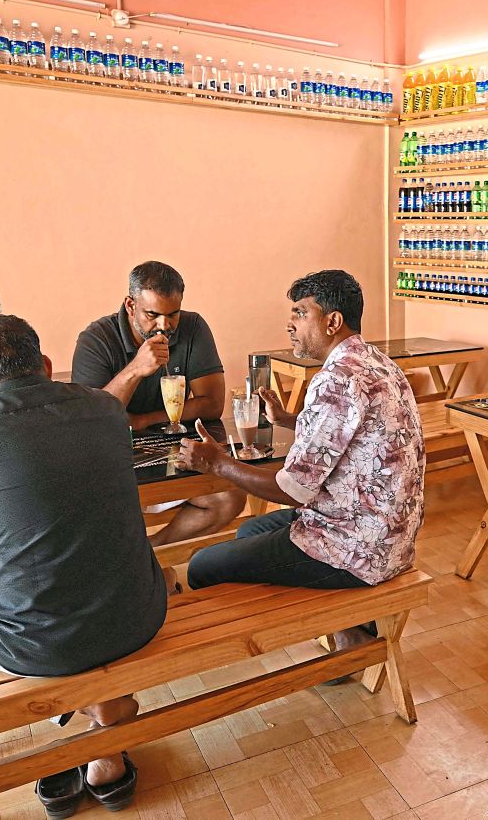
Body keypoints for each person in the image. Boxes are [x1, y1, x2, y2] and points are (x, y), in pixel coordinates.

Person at [0, 315, 168, 816]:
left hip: (35, 643)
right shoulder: (105, 409)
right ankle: (105, 737)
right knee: (84, 584)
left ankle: (65, 724)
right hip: (139, 614)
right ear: (47, 366)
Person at [176, 270, 425, 653]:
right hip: (389, 536)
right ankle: (350, 631)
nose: (290, 324)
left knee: (202, 566)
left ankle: (248, 642)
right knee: (248, 533)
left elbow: (292, 491)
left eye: (300, 313)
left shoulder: (337, 378)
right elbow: (354, 429)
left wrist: (217, 463)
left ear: (333, 321)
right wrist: (292, 421)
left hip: (357, 549)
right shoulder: (374, 362)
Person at [72, 261, 245, 546]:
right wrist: (136, 369)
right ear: (130, 305)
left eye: (172, 314)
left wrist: (143, 420)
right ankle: (136, 568)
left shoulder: (192, 327)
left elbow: (212, 404)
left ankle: (150, 556)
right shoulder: (95, 340)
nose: (164, 325)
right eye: (152, 314)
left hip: (172, 453)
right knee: (96, 510)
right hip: (111, 460)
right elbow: (93, 420)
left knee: (231, 496)